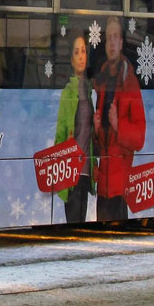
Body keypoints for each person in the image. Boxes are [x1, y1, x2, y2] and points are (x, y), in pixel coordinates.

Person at [93, 15, 146, 221]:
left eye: (116, 37)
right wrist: (97, 130)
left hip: (120, 188)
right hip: (103, 189)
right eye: (108, 37)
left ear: (122, 43)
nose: (112, 42)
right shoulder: (102, 81)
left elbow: (140, 138)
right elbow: (100, 141)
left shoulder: (130, 82)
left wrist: (118, 125)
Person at [54, 34, 95, 223]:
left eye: (84, 51)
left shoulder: (91, 88)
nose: (81, 56)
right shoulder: (67, 92)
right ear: (71, 60)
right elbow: (60, 135)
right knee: (73, 224)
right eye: (76, 52)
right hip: (70, 171)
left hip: (86, 170)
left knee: (81, 225)